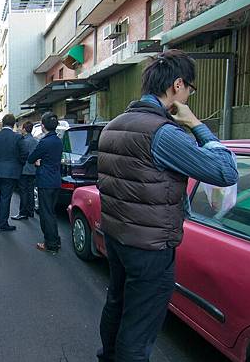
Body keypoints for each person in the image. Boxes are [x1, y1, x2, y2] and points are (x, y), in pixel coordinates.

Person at [96, 49, 238, 362]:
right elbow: (226, 172)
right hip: (150, 247)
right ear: (177, 85)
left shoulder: (114, 126)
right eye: (190, 88)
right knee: (140, 325)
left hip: (118, 237)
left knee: (117, 304)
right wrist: (196, 124)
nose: (189, 95)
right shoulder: (163, 133)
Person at [27, 113, 63, 253]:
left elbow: (31, 158)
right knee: (52, 213)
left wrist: (38, 162)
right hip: (56, 181)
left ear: (43, 126)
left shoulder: (44, 142)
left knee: (45, 214)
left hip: (45, 182)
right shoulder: (58, 140)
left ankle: (50, 244)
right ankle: (55, 240)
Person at [11, 121, 38, 221]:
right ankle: (30, 211)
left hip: (23, 169)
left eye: (22, 128)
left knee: (23, 192)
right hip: (33, 170)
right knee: (30, 191)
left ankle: (23, 213)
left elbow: (18, 155)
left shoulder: (23, 141)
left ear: (24, 129)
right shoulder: (36, 141)